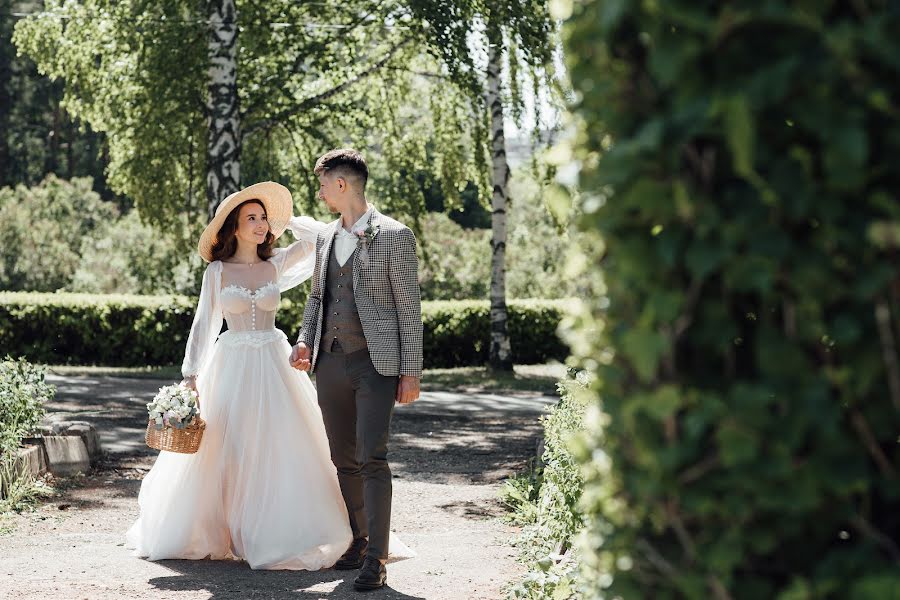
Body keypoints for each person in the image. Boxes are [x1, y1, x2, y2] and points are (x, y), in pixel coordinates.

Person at [126, 181, 354, 570]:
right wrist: (191, 374)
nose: (261, 224)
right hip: (230, 363)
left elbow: (326, 236)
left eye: (264, 218)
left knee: (280, 442)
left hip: (273, 361)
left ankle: (277, 529)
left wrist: (288, 221)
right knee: (227, 446)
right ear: (233, 226)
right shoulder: (216, 271)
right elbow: (204, 324)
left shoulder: (277, 263)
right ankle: (228, 529)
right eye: (252, 218)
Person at [290, 149, 423, 591]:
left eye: (324, 184)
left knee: (372, 457)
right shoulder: (326, 237)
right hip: (329, 361)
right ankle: (360, 539)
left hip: (375, 365)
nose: (322, 191)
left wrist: (411, 371)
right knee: (342, 459)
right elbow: (317, 299)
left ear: (342, 184)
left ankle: (377, 559)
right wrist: (306, 338)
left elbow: (409, 308)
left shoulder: (396, 235)